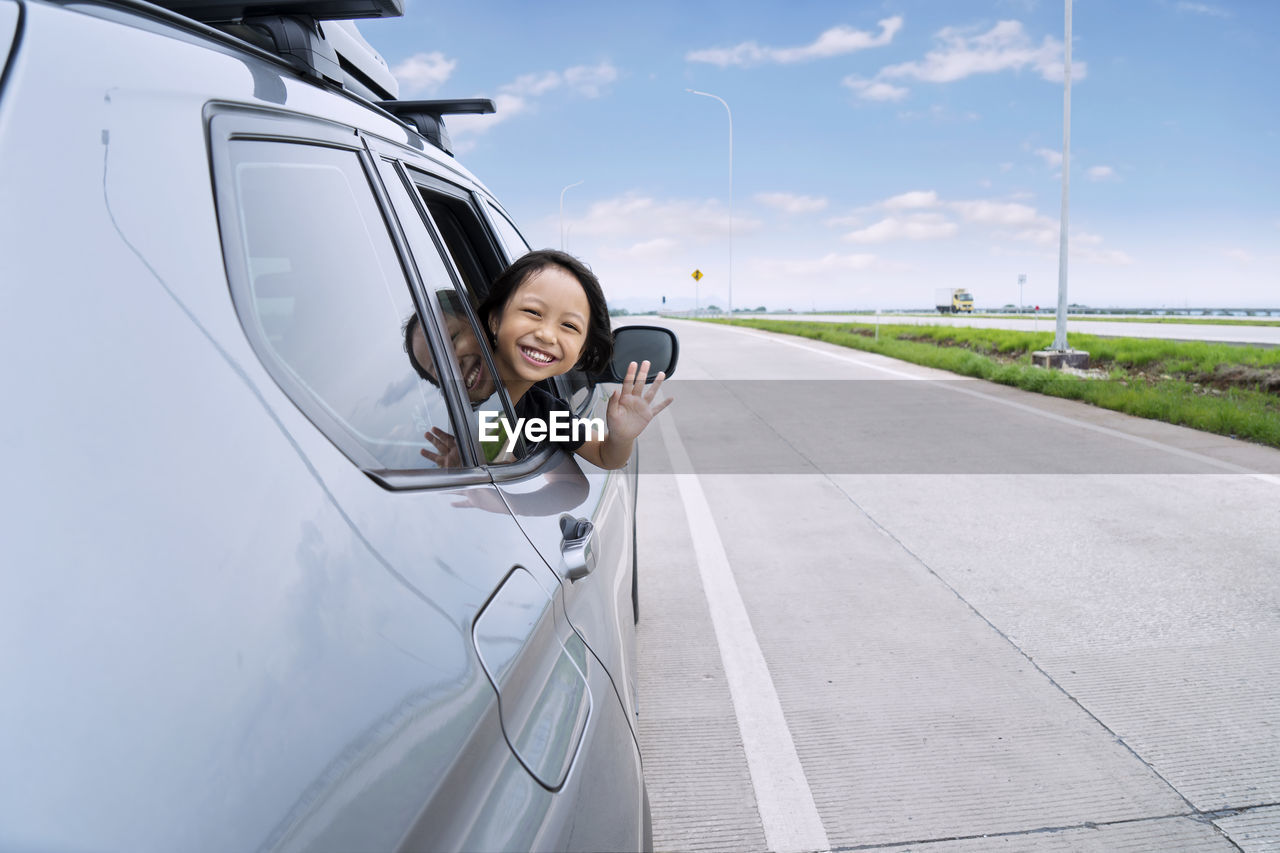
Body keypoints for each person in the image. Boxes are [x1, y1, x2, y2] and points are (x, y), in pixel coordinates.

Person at [477, 249, 671, 470]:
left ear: (581, 351)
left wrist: (622, 437)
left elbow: (605, 456)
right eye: (532, 312)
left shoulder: (544, 413)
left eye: (569, 325)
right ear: (495, 319)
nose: (547, 335)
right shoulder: (452, 381)